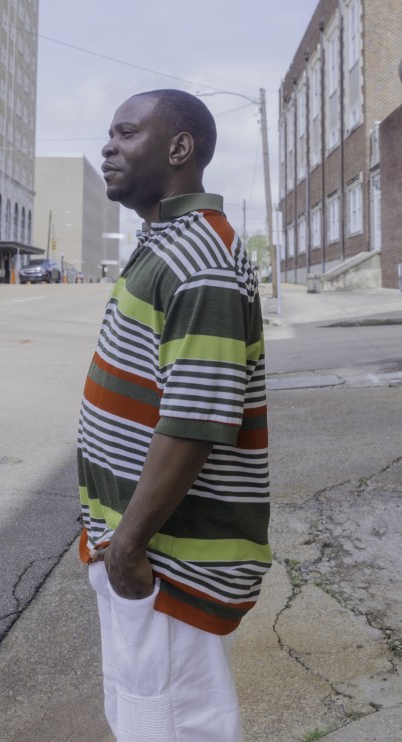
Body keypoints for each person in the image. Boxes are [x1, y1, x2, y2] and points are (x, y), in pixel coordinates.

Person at [77, 89, 271, 741]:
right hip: (138, 546)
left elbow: (195, 422)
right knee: (140, 711)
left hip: (167, 556)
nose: (108, 146)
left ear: (179, 148)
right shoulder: (168, 241)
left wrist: (129, 547)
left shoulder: (201, 259)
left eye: (126, 133)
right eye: (110, 134)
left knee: (173, 724)